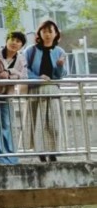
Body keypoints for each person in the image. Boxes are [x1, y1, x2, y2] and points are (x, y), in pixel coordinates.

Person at [24, 20, 67, 162]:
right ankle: (41, 153)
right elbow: (23, 69)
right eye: (44, 31)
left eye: (50, 31)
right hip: (36, 90)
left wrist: (60, 66)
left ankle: (53, 152)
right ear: (39, 33)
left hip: (53, 91)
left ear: (56, 33)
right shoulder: (31, 50)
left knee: (54, 124)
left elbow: (61, 75)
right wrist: (37, 78)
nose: (47, 34)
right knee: (38, 124)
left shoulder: (60, 51)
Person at [0, 31, 27, 165]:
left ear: (21, 45)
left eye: (18, 41)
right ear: (6, 41)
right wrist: (0, 76)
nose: (14, 43)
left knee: (7, 123)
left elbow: (23, 76)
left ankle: (10, 155)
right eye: (12, 39)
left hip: (8, 94)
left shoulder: (21, 59)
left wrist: (9, 73)